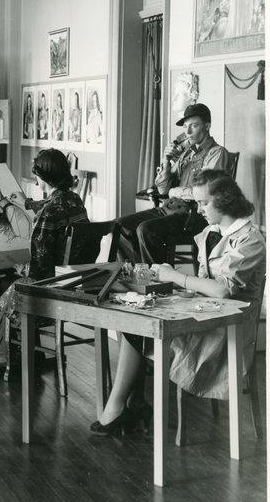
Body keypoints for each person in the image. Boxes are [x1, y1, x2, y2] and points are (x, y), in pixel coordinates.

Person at [91, 170, 265, 434]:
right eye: (196, 203)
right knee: (135, 322)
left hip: (227, 332)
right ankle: (128, 404)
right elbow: (205, 287)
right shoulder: (211, 232)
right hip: (207, 316)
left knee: (140, 331)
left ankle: (120, 408)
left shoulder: (251, 239)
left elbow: (222, 291)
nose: (198, 209)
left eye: (203, 203)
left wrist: (176, 277)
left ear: (225, 200)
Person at [116, 103, 229, 265]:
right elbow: (163, 188)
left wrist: (175, 192)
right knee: (120, 225)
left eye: (194, 126)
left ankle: (157, 278)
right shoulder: (186, 154)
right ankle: (138, 271)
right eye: (185, 127)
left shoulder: (216, 153)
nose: (188, 132)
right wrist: (166, 160)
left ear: (207, 126)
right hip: (169, 209)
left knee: (146, 230)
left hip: (193, 215)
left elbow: (206, 191)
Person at [0, 148, 89, 314]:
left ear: (43, 177)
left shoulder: (48, 213)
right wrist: (27, 203)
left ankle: (26, 333)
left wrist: (22, 268)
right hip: (77, 279)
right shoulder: (75, 200)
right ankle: (27, 333)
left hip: (54, 283)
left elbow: (39, 269)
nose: (36, 180)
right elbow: (53, 207)